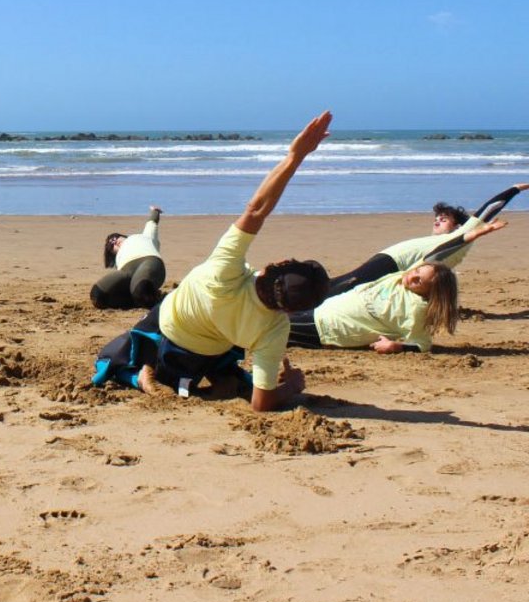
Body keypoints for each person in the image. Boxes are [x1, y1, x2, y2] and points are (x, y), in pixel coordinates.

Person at [93, 111, 333, 412]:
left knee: (112, 359)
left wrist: (294, 157)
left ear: (279, 263)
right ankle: (219, 379)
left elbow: (256, 209)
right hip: (209, 353)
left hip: (170, 332)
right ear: (292, 310)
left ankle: (141, 378)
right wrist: (292, 387)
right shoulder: (274, 329)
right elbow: (262, 402)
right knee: (233, 372)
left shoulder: (226, 270)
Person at [286, 219, 506, 353]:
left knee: (274, 329)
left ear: (431, 294)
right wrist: (473, 234)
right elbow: (440, 252)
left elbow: (422, 344)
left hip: (329, 330)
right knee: (273, 316)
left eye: (419, 281)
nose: (413, 276)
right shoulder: (403, 277)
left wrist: (395, 346)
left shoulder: (416, 308)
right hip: (324, 310)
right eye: (417, 271)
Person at [326, 183, 527, 297]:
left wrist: (516, 188)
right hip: (387, 261)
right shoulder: (438, 245)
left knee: (343, 287)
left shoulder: (459, 237)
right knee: (343, 286)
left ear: (458, 226)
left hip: (392, 264)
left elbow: (489, 209)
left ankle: (301, 305)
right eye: (436, 218)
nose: (438, 220)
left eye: (445, 218)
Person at [90, 206, 166, 309]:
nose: (114, 242)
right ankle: (141, 299)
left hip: (149, 261)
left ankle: (147, 297)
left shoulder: (144, 236)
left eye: (115, 237)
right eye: (110, 245)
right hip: (126, 271)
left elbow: (152, 222)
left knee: (140, 290)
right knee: (97, 295)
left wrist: (155, 211)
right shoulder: (119, 260)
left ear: (123, 236)